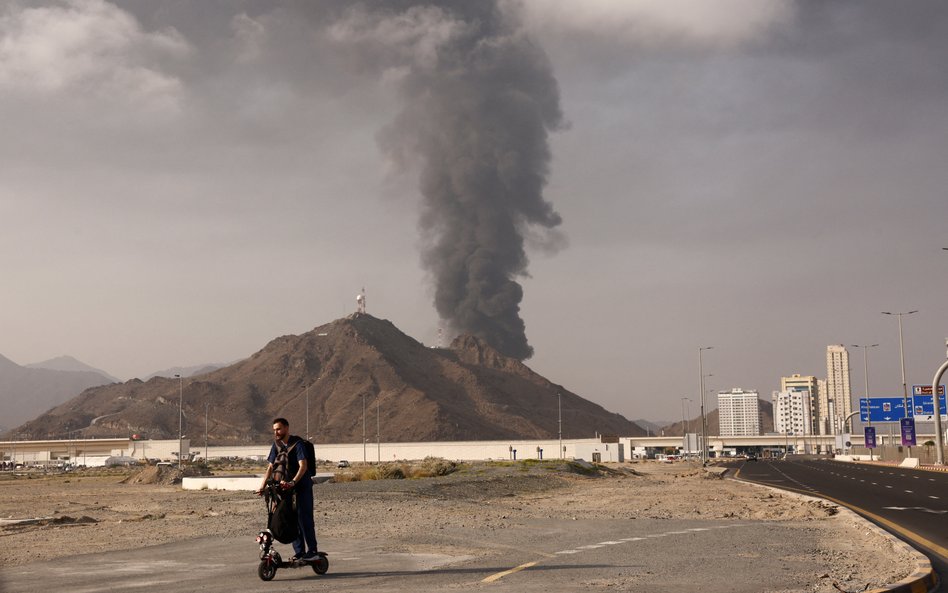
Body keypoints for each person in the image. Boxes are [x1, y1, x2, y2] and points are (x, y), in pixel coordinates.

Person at [257, 417, 318, 561]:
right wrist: (262, 486)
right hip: (285, 490)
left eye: (279, 429)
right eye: (274, 430)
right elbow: (271, 467)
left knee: (304, 519)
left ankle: (313, 551)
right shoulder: (276, 445)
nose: (276, 432)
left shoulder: (298, 444)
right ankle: (299, 552)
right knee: (291, 520)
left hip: (301, 488)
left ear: (286, 428)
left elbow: (303, 466)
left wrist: (293, 482)